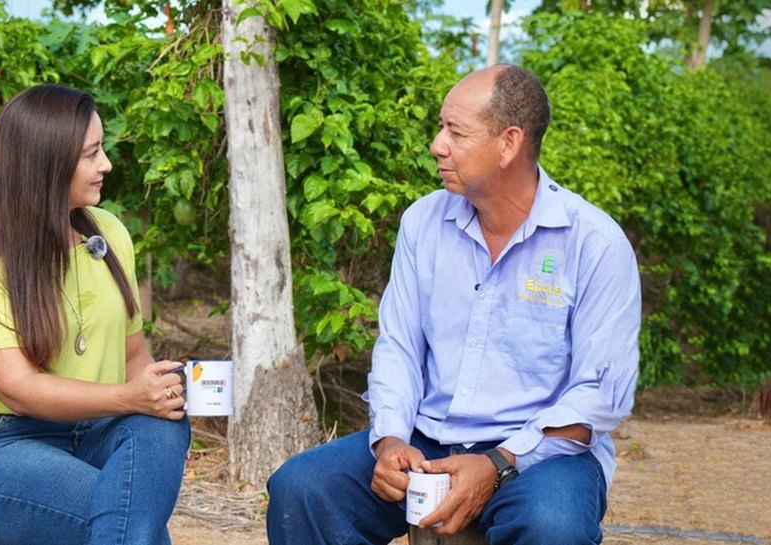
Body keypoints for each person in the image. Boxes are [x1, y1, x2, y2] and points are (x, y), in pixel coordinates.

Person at [266, 65, 641, 545]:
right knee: (301, 488)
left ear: (509, 143)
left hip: (541, 454)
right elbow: (399, 346)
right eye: (440, 127)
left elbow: (601, 395)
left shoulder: (595, 243)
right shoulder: (423, 222)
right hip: (425, 439)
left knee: (553, 525)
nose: (437, 144)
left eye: (455, 132)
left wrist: (498, 463)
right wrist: (390, 441)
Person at [0, 85, 191, 545]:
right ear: (47, 162)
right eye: (92, 153)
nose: (106, 164)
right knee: (129, 525)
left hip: (97, 432)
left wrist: (160, 391)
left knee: (165, 421)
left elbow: (133, 356)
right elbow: (17, 389)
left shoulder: (108, 232)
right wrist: (130, 397)